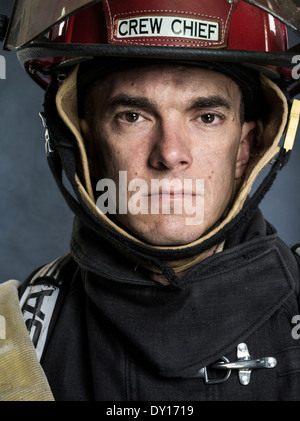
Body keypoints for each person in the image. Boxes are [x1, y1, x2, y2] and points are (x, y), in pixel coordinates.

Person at [1, 0, 300, 402]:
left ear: (245, 149)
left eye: (206, 117)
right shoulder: (12, 340)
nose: (170, 153)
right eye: (132, 115)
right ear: (85, 145)